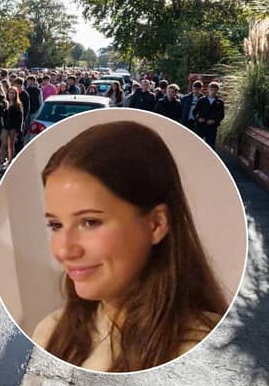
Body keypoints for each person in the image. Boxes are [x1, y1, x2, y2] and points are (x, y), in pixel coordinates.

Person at [33, 121, 227, 372]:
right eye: (56, 225)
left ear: (156, 224)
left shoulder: (203, 353)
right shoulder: (50, 332)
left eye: (90, 222)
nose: (64, 250)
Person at [193, 82, 225, 150]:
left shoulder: (220, 102)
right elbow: (195, 111)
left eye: (215, 90)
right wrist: (198, 118)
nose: (213, 92)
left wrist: (214, 121)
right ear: (208, 89)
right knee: (197, 143)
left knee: (210, 146)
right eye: (211, 89)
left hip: (212, 127)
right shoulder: (202, 100)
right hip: (200, 125)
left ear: (217, 91)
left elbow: (221, 115)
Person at [0, 87, 23, 167]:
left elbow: (20, 119)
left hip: (13, 127)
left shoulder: (18, 105)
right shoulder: (4, 103)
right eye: (10, 93)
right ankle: (1, 162)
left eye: (13, 93)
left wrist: (18, 130)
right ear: (7, 93)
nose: (12, 94)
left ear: (16, 94)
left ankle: (10, 162)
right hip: (5, 126)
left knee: (11, 145)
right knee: (3, 144)